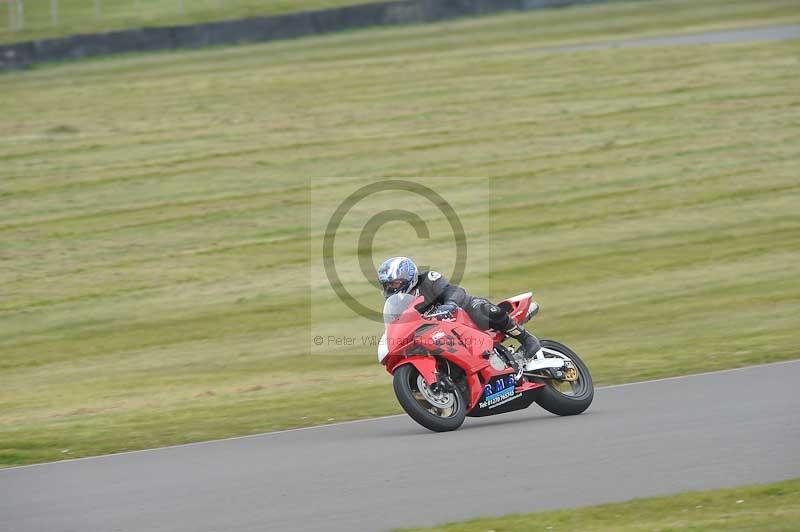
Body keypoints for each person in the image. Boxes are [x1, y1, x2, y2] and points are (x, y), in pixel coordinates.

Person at [377, 256, 541, 370]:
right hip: (437, 335)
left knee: (481, 310)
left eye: (394, 283)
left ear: (408, 278)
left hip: (461, 315)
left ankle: (527, 340)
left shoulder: (428, 279)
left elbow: (454, 290)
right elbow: (398, 325)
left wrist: (450, 304)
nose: (391, 288)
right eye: (387, 285)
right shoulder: (396, 304)